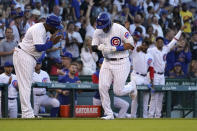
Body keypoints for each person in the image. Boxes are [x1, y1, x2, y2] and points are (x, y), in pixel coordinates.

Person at [13, 15, 63, 118]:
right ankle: (27, 114)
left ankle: (27, 113)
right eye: (56, 27)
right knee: (25, 86)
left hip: (28, 56)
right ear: (50, 26)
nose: (57, 30)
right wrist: (51, 42)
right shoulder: (39, 29)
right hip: (24, 55)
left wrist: (50, 41)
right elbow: (39, 48)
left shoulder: (43, 30)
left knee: (26, 86)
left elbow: (41, 51)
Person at [91, 12, 137, 120]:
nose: (102, 28)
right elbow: (93, 47)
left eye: (104, 26)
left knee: (118, 91)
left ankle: (132, 86)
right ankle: (109, 114)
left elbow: (131, 45)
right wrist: (98, 48)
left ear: (109, 23)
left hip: (121, 61)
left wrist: (116, 48)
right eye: (100, 26)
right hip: (107, 61)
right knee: (102, 87)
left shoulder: (119, 29)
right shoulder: (98, 31)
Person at [148, 26, 186, 118]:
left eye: (161, 41)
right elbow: (150, 65)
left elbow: (174, 40)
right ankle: (150, 115)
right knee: (154, 96)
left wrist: (180, 30)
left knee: (161, 96)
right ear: (156, 42)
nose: (160, 42)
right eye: (158, 41)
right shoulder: (151, 50)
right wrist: (151, 79)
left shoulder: (165, 48)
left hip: (162, 76)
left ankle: (158, 115)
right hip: (155, 75)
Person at [130, 39, 154, 118]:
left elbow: (151, 69)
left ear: (148, 46)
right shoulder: (137, 51)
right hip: (136, 76)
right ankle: (132, 116)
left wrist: (152, 80)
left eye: (146, 45)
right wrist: (139, 47)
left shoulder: (150, 55)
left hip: (145, 77)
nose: (144, 46)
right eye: (143, 44)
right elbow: (135, 49)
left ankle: (145, 116)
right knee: (136, 98)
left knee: (146, 98)